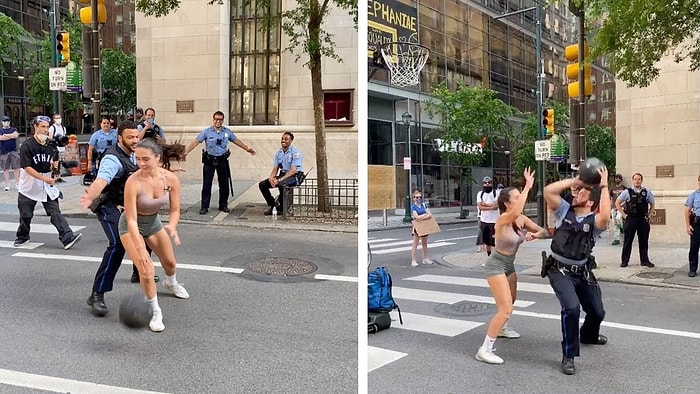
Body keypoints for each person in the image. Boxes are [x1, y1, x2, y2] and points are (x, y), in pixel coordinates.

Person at [79, 121, 158, 316]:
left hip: (129, 205)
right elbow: (101, 180)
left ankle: (137, 272)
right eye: (130, 137)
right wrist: (90, 194)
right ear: (119, 138)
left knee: (145, 233)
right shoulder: (112, 159)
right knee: (118, 243)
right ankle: (97, 294)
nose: (134, 140)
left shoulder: (137, 152)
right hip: (109, 205)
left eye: (136, 136)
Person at [542, 168, 610, 375]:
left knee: (597, 312)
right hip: (559, 270)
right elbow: (548, 191)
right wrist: (575, 179)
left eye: (582, 192)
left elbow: (605, 215)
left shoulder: (594, 222)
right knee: (571, 308)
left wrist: (604, 185)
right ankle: (569, 355)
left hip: (582, 271)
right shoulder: (564, 210)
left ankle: (588, 335)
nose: (577, 193)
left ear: (590, 202)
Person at [475, 168, 546, 365]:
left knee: (512, 300)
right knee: (505, 308)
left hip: (509, 265)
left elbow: (543, 230)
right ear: (507, 203)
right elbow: (515, 211)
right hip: (495, 264)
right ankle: (485, 349)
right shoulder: (503, 219)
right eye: (516, 197)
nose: (520, 199)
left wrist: (535, 234)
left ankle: (503, 328)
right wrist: (528, 187)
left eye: (520, 195)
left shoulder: (522, 220)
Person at [119, 138, 189, 332]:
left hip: (153, 223)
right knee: (146, 269)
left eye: (146, 159)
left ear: (158, 158)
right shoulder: (133, 182)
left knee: (170, 263)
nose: (140, 163)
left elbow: (175, 210)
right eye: (137, 159)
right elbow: (131, 220)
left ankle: (171, 283)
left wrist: (173, 226)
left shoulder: (170, 179)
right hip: (130, 226)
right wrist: (141, 250)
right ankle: (155, 310)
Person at [14, 115, 82, 249]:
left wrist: (55, 169)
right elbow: (27, 168)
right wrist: (45, 178)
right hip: (29, 184)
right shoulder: (27, 146)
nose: (46, 130)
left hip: (46, 185)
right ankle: (22, 236)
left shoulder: (51, 146)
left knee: (55, 212)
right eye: (43, 127)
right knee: (26, 215)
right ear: (35, 127)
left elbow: (53, 165)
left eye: (47, 127)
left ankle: (67, 237)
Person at [184, 111, 256, 215]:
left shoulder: (227, 132)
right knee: (207, 184)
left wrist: (247, 148)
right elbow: (196, 141)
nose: (218, 121)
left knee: (224, 184)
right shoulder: (207, 132)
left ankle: (223, 205)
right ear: (213, 120)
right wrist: (186, 152)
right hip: (210, 160)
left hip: (222, 160)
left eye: (220, 119)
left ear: (223, 120)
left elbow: (236, 140)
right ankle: (204, 206)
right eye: (216, 119)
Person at [615, 173, 655, 268]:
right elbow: (617, 202)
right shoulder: (627, 192)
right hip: (631, 219)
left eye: (639, 179)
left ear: (641, 180)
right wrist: (623, 215)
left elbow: (652, 203)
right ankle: (625, 261)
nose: (637, 181)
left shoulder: (646, 192)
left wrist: (649, 215)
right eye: (635, 179)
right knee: (628, 241)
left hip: (642, 220)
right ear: (633, 180)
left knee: (644, 241)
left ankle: (644, 260)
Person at [258, 132, 302, 215]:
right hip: (283, 175)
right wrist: (271, 178)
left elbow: (293, 170)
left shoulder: (295, 153)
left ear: (291, 141)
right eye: (282, 139)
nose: (283, 141)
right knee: (262, 184)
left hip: (293, 176)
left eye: (286, 139)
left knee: (282, 185)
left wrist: (279, 180)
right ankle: (273, 205)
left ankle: (281, 208)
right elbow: (275, 168)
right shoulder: (279, 153)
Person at [477, 176, 500, 256]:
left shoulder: (496, 193)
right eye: (485, 183)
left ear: (492, 184)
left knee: (494, 241)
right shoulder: (480, 194)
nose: (487, 184)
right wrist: (491, 207)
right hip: (484, 220)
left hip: (494, 221)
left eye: (489, 182)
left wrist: (485, 205)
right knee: (487, 241)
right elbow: (480, 207)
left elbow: (496, 206)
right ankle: (489, 257)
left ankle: (495, 258)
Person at [410, 190, 434, 267]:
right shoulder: (413, 207)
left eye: (420, 197)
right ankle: (413, 260)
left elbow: (430, 214)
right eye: (417, 197)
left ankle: (425, 258)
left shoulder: (424, 205)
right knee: (415, 243)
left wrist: (421, 216)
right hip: (417, 227)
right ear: (413, 198)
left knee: (424, 243)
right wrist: (424, 215)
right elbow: (416, 217)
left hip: (424, 225)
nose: (418, 199)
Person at [684, 174, 700, 277]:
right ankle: (693, 269)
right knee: (694, 247)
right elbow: (687, 211)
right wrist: (688, 225)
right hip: (697, 223)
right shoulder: (693, 195)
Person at [0, 115, 20, 191]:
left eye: (8, 121)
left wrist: (6, 135)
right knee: (5, 169)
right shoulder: (0, 130)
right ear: (2, 122)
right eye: (5, 121)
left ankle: (17, 184)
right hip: (4, 151)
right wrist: (10, 136)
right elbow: (1, 138)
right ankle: (7, 184)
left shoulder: (14, 129)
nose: (6, 122)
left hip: (13, 151)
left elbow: (16, 135)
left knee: (16, 168)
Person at [609, 174, 626, 245]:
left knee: (618, 218)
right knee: (614, 222)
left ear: (621, 179)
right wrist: (611, 207)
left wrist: (621, 205)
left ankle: (622, 228)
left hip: (621, 207)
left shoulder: (624, 188)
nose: (617, 180)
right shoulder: (612, 188)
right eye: (616, 178)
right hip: (613, 207)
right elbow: (611, 198)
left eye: (619, 178)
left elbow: (626, 198)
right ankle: (616, 239)